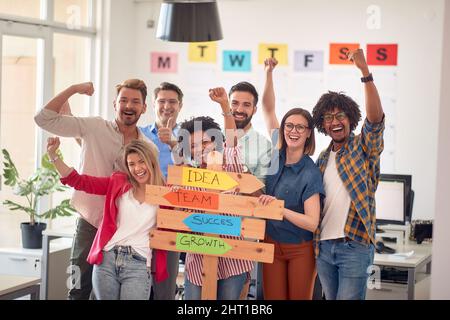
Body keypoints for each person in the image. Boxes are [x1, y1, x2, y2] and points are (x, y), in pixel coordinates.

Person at [34, 79, 155, 299]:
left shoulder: (148, 148)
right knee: (78, 286)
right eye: (124, 100)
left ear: (144, 108)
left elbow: (154, 189)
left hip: (125, 232)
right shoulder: (93, 127)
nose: (129, 106)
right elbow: (43, 119)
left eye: (135, 101)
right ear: (114, 104)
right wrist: (73, 89)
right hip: (89, 224)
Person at [47, 138, 167, 299]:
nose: (137, 168)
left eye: (141, 162)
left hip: (138, 262)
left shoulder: (164, 193)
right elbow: (80, 181)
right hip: (107, 259)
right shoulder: (119, 183)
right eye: (131, 164)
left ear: (150, 161)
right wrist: (53, 155)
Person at [312, 49, 385, 300]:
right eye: (328, 117)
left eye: (340, 115)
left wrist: (365, 73)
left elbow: (375, 120)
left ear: (350, 118)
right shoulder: (321, 159)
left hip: (354, 244)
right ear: (323, 125)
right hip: (323, 247)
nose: (335, 121)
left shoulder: (362, 147)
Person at [171, 87, 255, 300]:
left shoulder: (231, 166)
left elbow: (231, 142)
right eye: (193, 146)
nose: (201, 149)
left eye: (206, 142)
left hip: (232, 260)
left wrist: (225, 105)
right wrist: (176, 198)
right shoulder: (188, 178)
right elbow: (181, 218)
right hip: (198, 257)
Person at [258, 57, 325, 300]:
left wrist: (280, 209)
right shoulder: (276, 153)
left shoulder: (310, 171)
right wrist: (268, 72)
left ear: (308, 133)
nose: (293, 131)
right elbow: (267, 108)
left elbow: (312, 222)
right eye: (289, 125)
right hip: (271, 243)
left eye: (300, 127)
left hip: (300, 249)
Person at [140, 82, 184, 300]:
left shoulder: (188, 137)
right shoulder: (139, 134)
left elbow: (193, 171)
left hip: (171, 218)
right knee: (136, 281)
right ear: (153, 105)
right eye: (162, 101)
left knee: (165, 287)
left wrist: (173, 143)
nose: (167, 106)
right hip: (139, 216)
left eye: (172, 102)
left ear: (180, 106)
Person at [228, 82, 272, 184]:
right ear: (228, 105)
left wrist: (239, 166)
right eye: (234, 103)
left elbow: (260, 193)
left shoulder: (265, 147)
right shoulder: (212, 137)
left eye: (246, 105)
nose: (239, 110)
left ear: (254, 110)